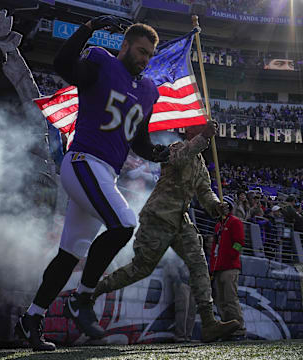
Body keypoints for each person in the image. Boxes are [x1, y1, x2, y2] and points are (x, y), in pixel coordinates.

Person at [14, 16, 170, 351]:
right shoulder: (102, 64)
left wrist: (158, 153)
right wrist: (87, 29)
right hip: (83, 161)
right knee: (124, 223)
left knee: (69, 254)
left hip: (104, 173)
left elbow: (138, 141)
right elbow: (63, 64)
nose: (144, 59)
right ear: (125, 45)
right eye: (140, 51)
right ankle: (82, 299)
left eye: (149, 55)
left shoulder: (146, 91)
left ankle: (32, 318)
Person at [93, 121, 240, 343]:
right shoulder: (175, 148)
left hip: (180, 221)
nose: (204, 131)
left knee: (199, 263)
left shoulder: (200, 164)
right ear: (189, 132)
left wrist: (216, 206)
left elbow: (205, 192)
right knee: (140, 269)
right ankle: (93, 291)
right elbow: (180, 159)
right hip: (158, 217)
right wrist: (203, 138)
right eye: (199, 128)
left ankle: (209, 322)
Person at [210, 195, 246, 341]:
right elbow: (214, 248)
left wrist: (231, 257)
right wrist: (213, 267)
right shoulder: (218, 226)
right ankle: (227, 328)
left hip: (230, 268)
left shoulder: (235, 222)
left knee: (230, 298)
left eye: (223, 206)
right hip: (218, 268)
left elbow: (239, 243)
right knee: (220, 300)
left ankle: (239, 328)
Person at [163, 256, 197, 343]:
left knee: (191, 311)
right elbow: (171, 262)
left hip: (192, 283)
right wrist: (177, 279)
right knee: (182, 309)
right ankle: (180, 336)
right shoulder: (177, 250)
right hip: (182, 282)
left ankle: (187, 336)